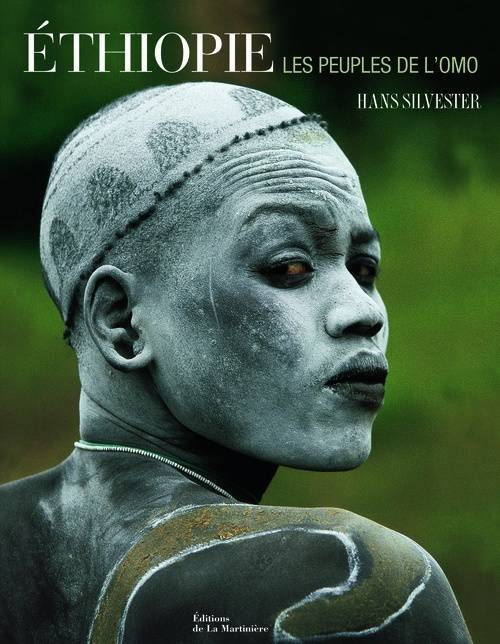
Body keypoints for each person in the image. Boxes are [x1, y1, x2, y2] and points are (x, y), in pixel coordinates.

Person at [0, 82, 472, 643]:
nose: (363, 312)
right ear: (121, 321)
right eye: (289, 267)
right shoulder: (354, 588)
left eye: (364, 269)